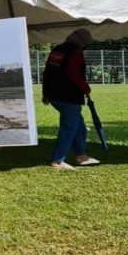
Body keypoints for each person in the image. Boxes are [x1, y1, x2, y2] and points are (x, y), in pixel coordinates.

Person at [42, 28, 99, 169]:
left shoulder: (57, 49)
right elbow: (73, 73)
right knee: (69, 128)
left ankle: (81, 155)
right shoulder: (75, 52)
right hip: (69, 97)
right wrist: (86, 88)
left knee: (79, 126)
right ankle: (57, 160)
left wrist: (46, 93)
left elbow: (47, 72)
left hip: (55, 95)